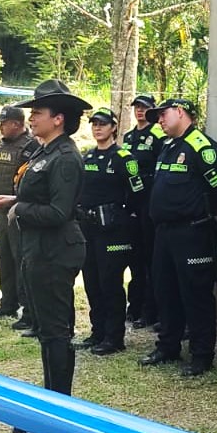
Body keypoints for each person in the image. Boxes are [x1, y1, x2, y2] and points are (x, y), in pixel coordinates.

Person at [0, 80, 90, 433]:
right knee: (46, 334)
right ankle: (49, 411)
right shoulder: (44, 152)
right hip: (38, 250)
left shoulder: (65, 158)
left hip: (56, 251)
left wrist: (17, 206)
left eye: (38, 113)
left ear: (58, 119)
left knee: (57, 334)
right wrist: (11, 200)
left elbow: (60, 211)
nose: (31, 118)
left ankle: (59, 419)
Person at [139, 98, 217, 377]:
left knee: (196, 294)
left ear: (180, 112)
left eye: (163, 115)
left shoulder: (201, 147)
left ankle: (201, 354)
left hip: (192, 232)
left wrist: (200, 210)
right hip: (165, 233)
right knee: (165, 290)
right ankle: (168, 346)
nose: (159, 121)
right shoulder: (168, 147)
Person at [76, 107, 144, 356]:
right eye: (94, 123)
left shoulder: (125, 158)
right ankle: (98, 332)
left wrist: (122, 217)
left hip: (114, 231)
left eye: (103, 124)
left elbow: (138, 194)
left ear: (114, 127)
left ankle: (114, 337)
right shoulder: (88, 157)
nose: (97, 128)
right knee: (91, 281)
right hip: (88, 229)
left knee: (110, 283)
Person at [0, 106, 35, 325]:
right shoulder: (2, 143)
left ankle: (27, 310)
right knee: (4, 257)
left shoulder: (30, 145)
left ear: (16, 124)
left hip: (18, 212)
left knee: (20, 260)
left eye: (3, 123)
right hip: (0, 210)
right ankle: (8, 303)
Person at [123, 94, 167, 328]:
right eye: (137, 108)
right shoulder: (129, 136)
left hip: (150, 200)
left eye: (145, 108)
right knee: (135, 258)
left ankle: (151, 310)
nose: (140, 112)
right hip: (132, 201)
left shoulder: (157, 135)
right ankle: (135, 305)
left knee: (150, 259)